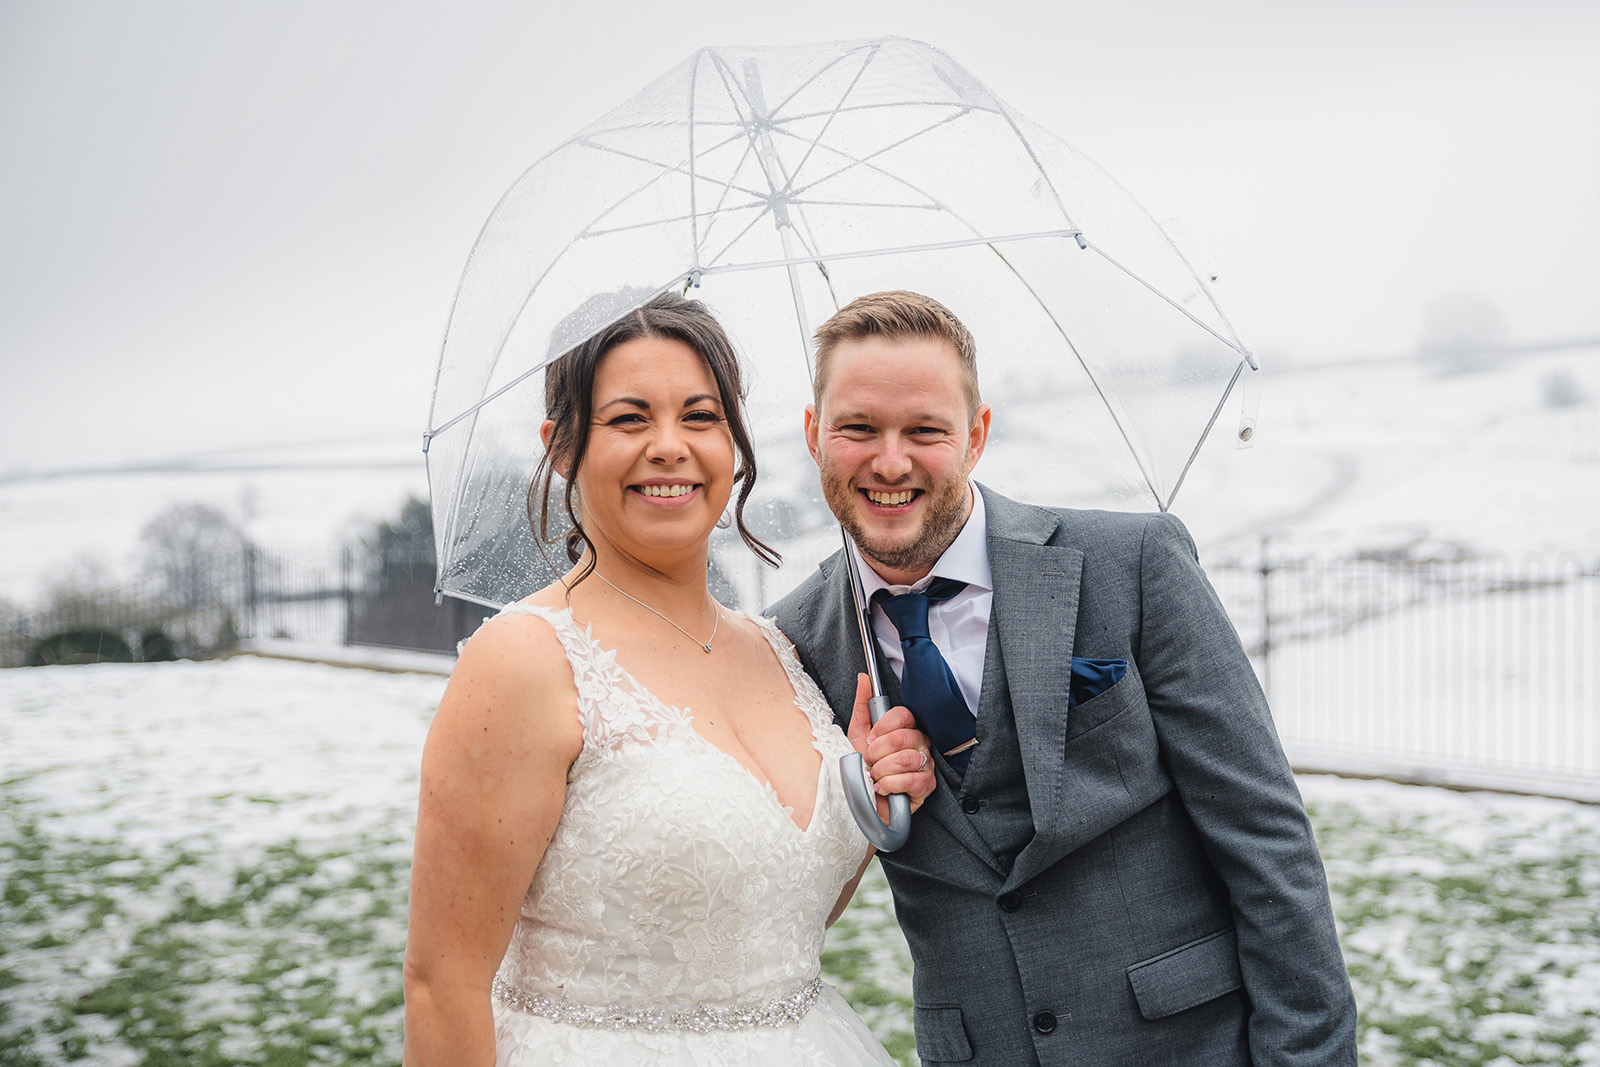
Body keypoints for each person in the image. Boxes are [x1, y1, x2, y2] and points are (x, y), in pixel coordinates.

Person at [771, 291, 1359, 1066]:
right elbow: (789, 895)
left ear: (977, 435)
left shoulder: (1132, 564)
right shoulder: (793, 643)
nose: (890, 461)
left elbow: (1267, 841)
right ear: (814, 434)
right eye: (857, 429)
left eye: (925, 430)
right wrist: (854, 801)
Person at [401, 292, 937, 1067]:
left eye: (699, 415)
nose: (669, 446)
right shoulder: (525, 660)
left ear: (734, 441)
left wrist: (862, 790)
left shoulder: (779, 650)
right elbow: (440, 983)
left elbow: (763, 926)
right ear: (561, 445)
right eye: (628, 419)